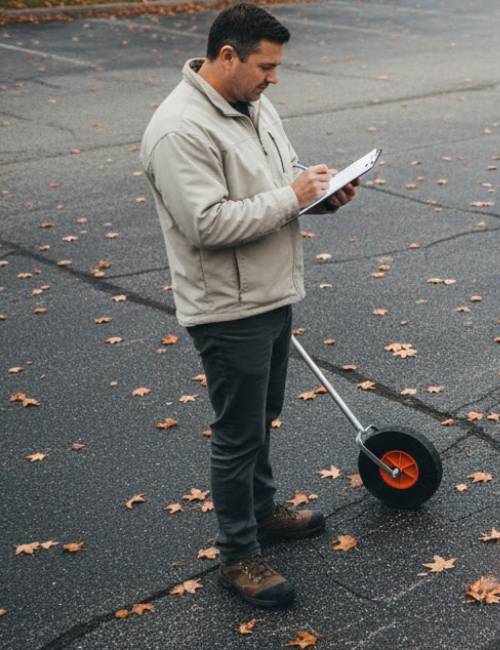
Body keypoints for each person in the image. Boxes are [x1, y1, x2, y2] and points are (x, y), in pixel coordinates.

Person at [139, 2, 358, 609]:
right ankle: (239, 557)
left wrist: (324, 195)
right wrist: (293, 196)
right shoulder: (179, 129)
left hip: (269, 291)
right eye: (266, 65)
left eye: (277, 67)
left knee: (262, 419)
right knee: (238, 434)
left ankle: (262, 513)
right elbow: (206, 224)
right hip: (226, 307)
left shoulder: (254, 106)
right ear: (227, 56)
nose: (274, 78)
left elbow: (284, 179)